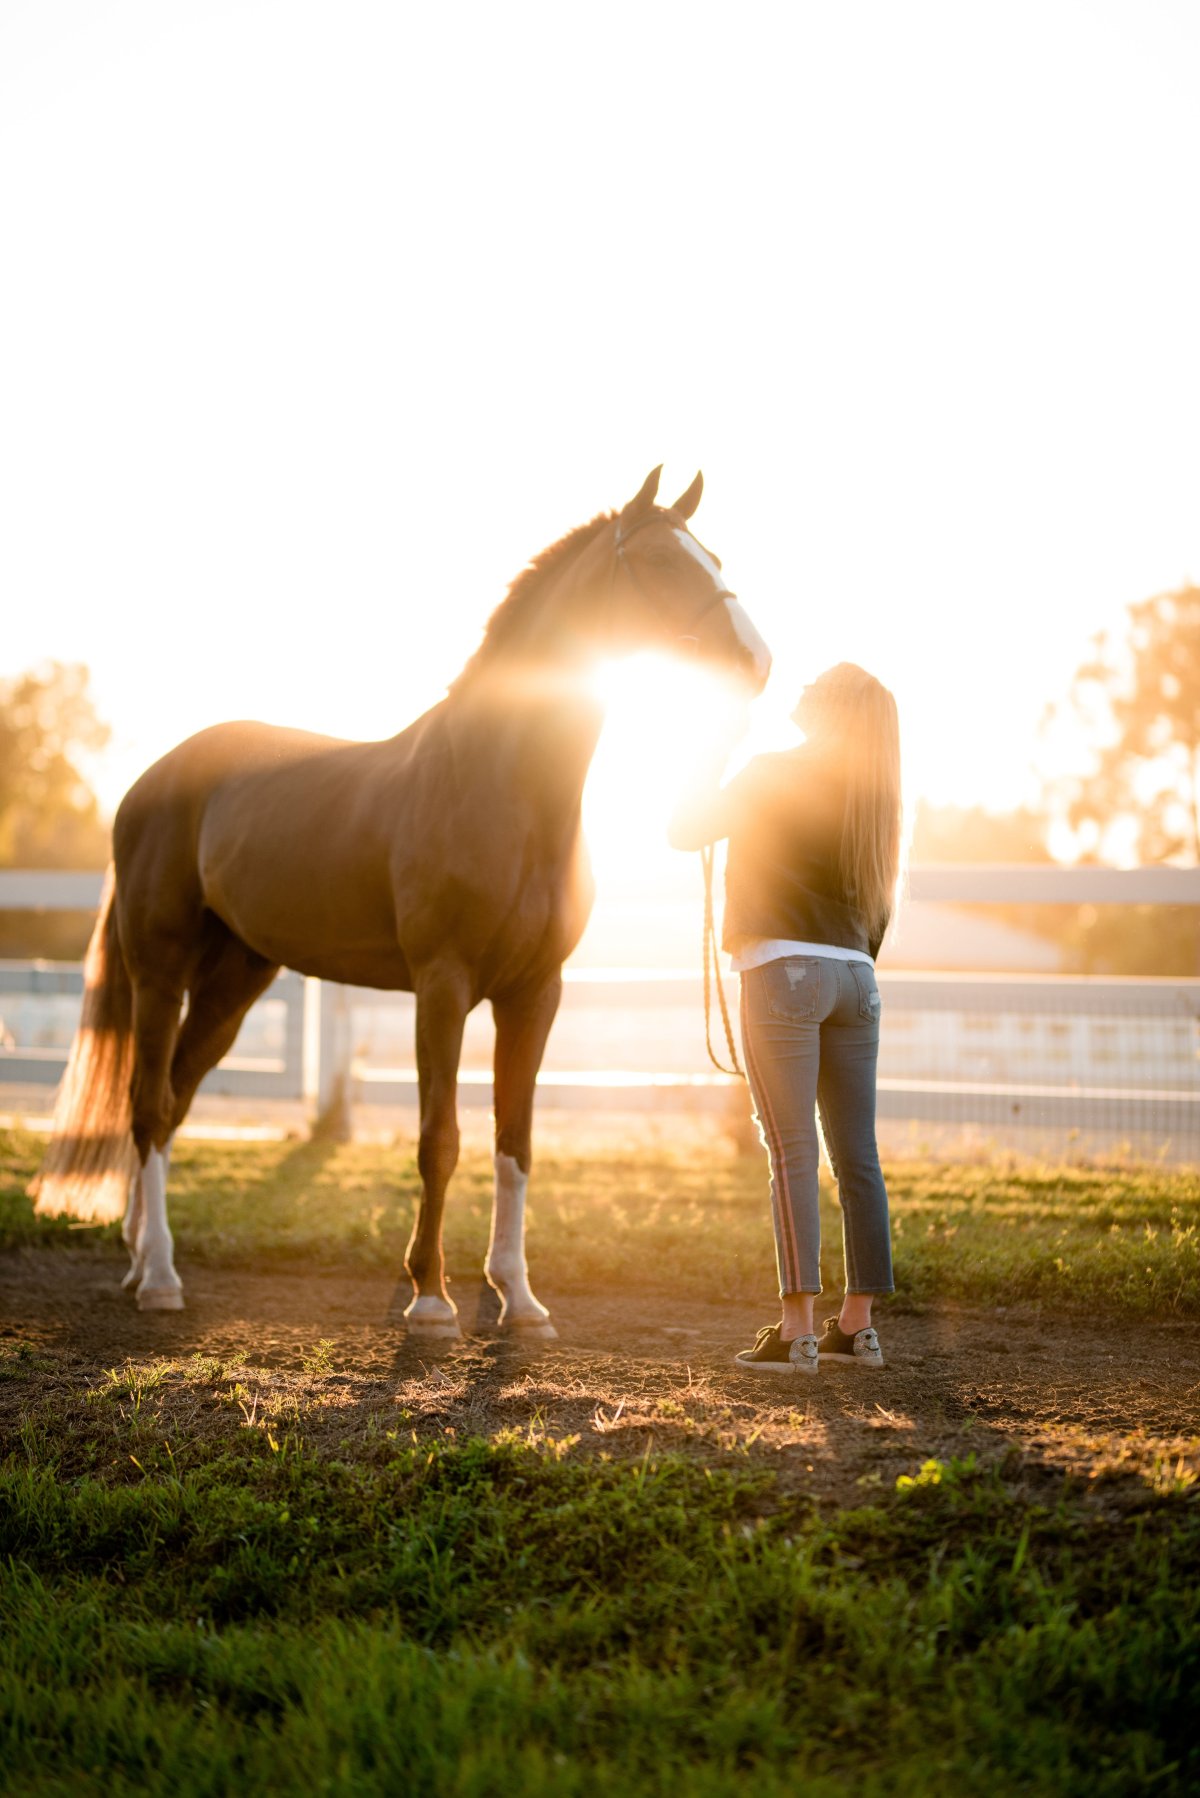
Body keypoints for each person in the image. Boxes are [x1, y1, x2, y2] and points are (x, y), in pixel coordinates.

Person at [669, 662, 903, 1374]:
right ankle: (855, 1330)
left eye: (818, 679)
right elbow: (879, 913)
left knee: (792, 1150)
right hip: (856, 977)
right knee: (856, 1154)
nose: (802, 683)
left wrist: (713, 747)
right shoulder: (875, 800)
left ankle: (797, 1329)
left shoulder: (770, 771)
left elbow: (683, 828)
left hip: (784, 973)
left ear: (829, 705)